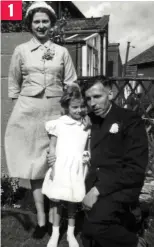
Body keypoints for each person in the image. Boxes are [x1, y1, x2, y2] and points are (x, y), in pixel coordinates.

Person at [4, 1, 77, 239]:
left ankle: (59, 219)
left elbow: (71, 82)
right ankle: (42, 218)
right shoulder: (21, 51)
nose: (41, 25)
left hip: (55, 111)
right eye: (37, 21)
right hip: (29, 111)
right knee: (35, 165)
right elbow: (14, 82)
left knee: (55, 163)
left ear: (52, 24)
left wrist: (71, 110)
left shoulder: (62, 52)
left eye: (45, 21)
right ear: (30, 24)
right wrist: (21, 106)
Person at [81, 76, 148, 247]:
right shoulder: (90, 120)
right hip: (95, 181)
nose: (92, 103)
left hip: (122, 185)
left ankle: (137, 243)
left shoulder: (130, 120)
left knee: (95, 227)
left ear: (110, 94)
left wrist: (97, 191)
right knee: (87, 236)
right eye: (88, 99)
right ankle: (128, 219)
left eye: (97, 97)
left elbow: (135, 169)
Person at [42, 83, 90, 247]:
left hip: (76, 167)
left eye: (82, 106)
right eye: (75, 107)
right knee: (56, 201)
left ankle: (70, 233)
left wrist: (86, 156)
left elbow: (87, 146)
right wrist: (53, 165)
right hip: (60, 166)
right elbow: (53, 146)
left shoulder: (86, 125)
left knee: (72, 200)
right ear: (66, 106)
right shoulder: (59, 124)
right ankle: (55, 233)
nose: (79, 110)